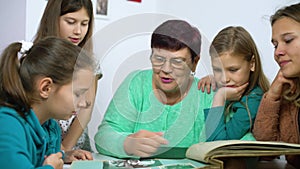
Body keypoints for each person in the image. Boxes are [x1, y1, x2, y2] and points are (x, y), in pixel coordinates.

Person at [94, 19, 215, 158]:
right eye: (158, 59)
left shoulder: (207, 93)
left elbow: (232, 144)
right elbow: (103, 136)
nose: (166, 69)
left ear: (195, 62)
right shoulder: (136, 83)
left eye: (177, 62)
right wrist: (126, 144)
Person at [0, 37, 95, 168]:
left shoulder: (51, 128)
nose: (84, 103)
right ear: (45, 88)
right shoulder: (8, 124)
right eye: (78, 93)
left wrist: (63, 156)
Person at [34, 0, 98, 152]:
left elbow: (86, 109)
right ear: (53, 19)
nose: (78, 31)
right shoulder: (37, 58)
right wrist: (56, 150)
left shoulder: (88, 62)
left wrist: (65, 148)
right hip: (43, 148)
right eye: (71, 22)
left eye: (84, 24)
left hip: (75, 148)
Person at [201, 26, 270, 141]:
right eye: (218, 70)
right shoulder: (222, 84)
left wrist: (220, 97)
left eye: (232, 70)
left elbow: (217, 144)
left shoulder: (253, 100)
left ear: (252, 63)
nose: (224, 79)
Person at [252, 3, 300, 168]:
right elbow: (266, 152)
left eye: (288, 40)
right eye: (275, 45)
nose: (278, 52)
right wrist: (272, 97)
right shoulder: (289, 93)